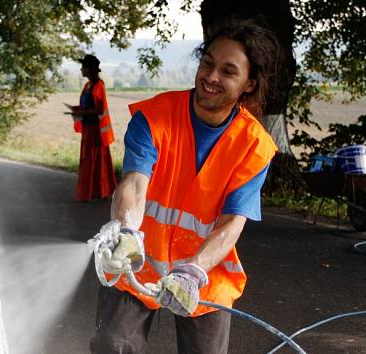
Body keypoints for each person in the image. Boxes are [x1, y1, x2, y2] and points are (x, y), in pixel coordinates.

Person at [89, 18, 279, 354]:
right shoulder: (153, 117)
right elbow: (133, 183)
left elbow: (232, 223)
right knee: (111, 345)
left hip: (204, 274)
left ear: (249, 84)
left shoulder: (254, 146)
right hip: (137, 260)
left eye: (228, 71)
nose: (211, 77)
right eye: (207, 63)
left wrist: (193, 271)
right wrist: (126, 230)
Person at [67, 54, 117, 202]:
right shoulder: (88, 85)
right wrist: (78, 109)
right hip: (88, 128)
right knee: (89, 160)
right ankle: (93, 192)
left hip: (96, 131)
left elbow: (99, 110)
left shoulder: (98, 85)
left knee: (96, 161)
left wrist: (81, 112)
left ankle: (99, 192)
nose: (81, 69)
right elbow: (88, 105)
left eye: (83, 67)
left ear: (89, 69)